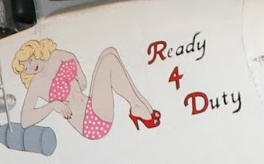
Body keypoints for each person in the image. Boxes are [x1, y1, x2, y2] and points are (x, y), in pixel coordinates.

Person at [12, 39, 159, 140]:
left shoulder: (56, 56)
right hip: (89, 123)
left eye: (30, 60)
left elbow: (73, 60)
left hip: (92, 105)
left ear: (36, 52)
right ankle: (136, 105)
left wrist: (80, 77)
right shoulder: (37, 84)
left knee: (110, 51)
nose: (31, 67)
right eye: (26, 68)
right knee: (108, 61)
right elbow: (25, 121)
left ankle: (138, 104)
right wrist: (52, 105)